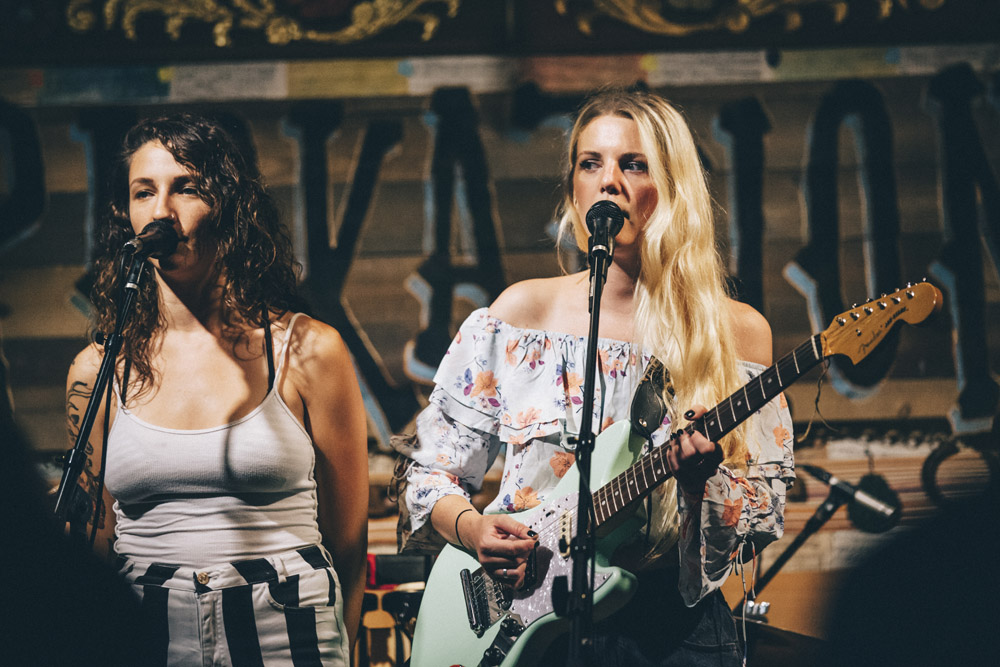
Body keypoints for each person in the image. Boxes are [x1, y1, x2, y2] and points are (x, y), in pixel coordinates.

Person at [395, 89, 794, 664]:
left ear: (674, 187)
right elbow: (430, 469)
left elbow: (757, 518)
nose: (609, 181)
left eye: (634, 164)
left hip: (672, 629)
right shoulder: (519, 315)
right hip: (530, 613)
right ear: (574, 190)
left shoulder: (735, 334)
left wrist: (700, 481)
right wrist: (471, 528)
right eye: (591, 164)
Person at [66, 113, 369, 666]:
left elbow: (348, 542)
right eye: (144, 192)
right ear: (125, 213)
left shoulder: (308, 349)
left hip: (288, 627)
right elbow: (96, 537)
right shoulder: (98, 369)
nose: (162, 211)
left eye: (186, 187)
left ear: (228, 205)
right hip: (148, 627)